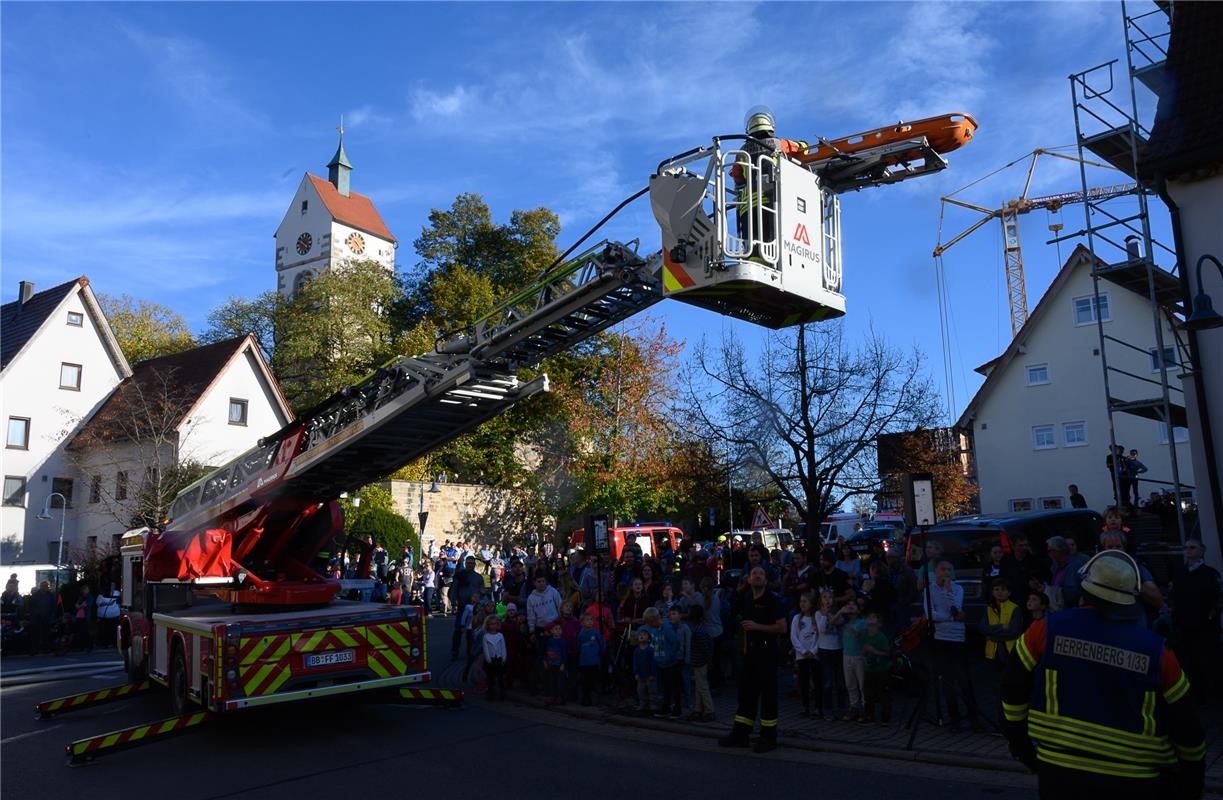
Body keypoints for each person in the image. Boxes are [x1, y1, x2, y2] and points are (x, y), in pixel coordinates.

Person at [1001, 550, 1206, 799]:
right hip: (1137, 778)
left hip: (1060, 770)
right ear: (1132, 597)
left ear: (1083, 588)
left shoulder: (1044, 630)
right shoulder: (1158, 652)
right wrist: (1192, 778)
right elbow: (1187, 723)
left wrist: (1018, 742)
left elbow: (1012, 685)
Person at [718, 565, 787, 753]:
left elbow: (782, 627)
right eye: (754, 574)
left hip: (767, 655)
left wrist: (758, 626)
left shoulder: (773, 601)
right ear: (748, 579)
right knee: (746, 695)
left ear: (766, 580)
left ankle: (768, 737)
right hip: (750, 655)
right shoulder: (747, 599)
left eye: (761, 574)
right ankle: (740, 734)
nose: (757, 576)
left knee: (768, 697)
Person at [923, 559, 980, 731]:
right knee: (947, 681)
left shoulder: (958, 589)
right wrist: (950, 617)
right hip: (941, 638)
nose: (946, 572)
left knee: (964, 680)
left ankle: (974, 719)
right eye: (942, 569)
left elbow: (955, 608)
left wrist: (948, 591)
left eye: (949, 569)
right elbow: (930, 615)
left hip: (958, 638)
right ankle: (954, 719)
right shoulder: (929, 590)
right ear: (936, 571)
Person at [1169, 539, 1220, 704]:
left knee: (1207, 660)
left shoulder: (1210, 573)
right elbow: (1174, 597)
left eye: (1192, 547)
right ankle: (1196, 695)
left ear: (1201, 551)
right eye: (1185, 548)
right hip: (1184, 625)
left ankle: (1211, 695)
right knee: (1189, 661)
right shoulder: (1180, 573)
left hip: (1205, 627)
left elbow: (1218, 598)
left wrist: (1211, 616)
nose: (1188, 550)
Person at [815, 590, 846, 720]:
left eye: (830, 597)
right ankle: (827, 709)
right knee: (827, 682)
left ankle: (841, 708)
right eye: (825, 597)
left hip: (838, 649)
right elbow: (823, 629)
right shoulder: (818, 614)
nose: (828, 600)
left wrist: (835, 614)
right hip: (825, 650)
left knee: (840, 682)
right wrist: (828, 614)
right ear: (821, 600)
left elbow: (838, 623)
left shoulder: (838, 614)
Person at [978, 579, 1021, 670]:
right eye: (996, 589)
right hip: (992, 653)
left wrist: (993, 637)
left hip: (1009, 651)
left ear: (1009, 593)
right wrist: (1001, 627)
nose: (999, 592)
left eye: (1003, 589)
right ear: (992, 592)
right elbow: (982, 628)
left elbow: (1014, 631)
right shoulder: (989, 608)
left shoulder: (1015, 608)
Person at [790, 592, 820, 718]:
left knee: (817, 681)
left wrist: (813, 651)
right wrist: (802, 651)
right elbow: (793, 636)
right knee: (804, 681)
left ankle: (818, 708)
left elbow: (819, 636)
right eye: (801, 601)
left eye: (805, 601)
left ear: (811, 604)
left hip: (815, 655)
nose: (802, 604)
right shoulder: (797, 618)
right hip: (802, 656)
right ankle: (805, 707)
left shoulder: (817, 617)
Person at [450, 556, 485, 658]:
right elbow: (454, 590)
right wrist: (453, 604)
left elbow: (483, 590)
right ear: (465, 564)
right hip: (462, 605)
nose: (470, 565)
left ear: (474, 565)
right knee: (458, 629)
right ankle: (454, 651)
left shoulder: (479, 577)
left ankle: (470, 652)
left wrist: (482, 595)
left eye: (472, 563)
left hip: (474, 608)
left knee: (471, 631)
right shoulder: (460, 575)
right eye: (468, 563)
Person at [861, 613, 893, 725]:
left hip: (882, 670)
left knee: (884, 694)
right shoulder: (864, 635)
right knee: (868, 694)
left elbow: (887, 653)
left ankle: (885, 718)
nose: (870, 618)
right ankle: (870, 716)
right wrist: (864, 651)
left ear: (879, 623)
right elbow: (862, 651)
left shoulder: (881, 637)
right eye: (868, 617)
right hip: (869, 670)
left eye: (873, 617)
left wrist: (873, 651)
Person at [687, 604, 715, 722]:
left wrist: (708, 660)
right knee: (699, 686)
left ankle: (709, 710)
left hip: (700, 662)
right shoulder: (700, 628)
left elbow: (704, 648)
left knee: (702, 687)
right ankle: (698, 709)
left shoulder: (697, 630)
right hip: (699, 661)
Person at [656, 606, 684, 719]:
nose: (671, 616)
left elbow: (676, 642)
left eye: (674, 614)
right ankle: (666, 707)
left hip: (672, 662)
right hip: (663, 662)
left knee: (675, 686)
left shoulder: (669, 628)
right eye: (670, 614)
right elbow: (658, 643)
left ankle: (677, 709)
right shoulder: (661, 628)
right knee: (666, 686)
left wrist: (669, 656)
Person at [577, 613, 605, 706]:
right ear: (582, 622)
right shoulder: (581, 633)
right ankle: (585, 699)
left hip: (594, 661)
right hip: (584, 662)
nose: (590, 622)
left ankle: (595, 700)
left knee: (594, 681)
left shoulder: (596, 632)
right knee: (585, 681)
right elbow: (578, 646)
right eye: (587, 620)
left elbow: (601, 643)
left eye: (591, 620)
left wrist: (602, 652)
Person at [633, 627, 658, 715]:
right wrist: (636, 672)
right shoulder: (636, 650)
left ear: (648, 639)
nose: (642, 636)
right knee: (641, 691)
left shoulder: (650, 650)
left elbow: (653, 662)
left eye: (644, 634)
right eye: (640, 634)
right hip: (640, 675)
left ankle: (653, 705)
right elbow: (635, 662)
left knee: (652, 690)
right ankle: (642, 704)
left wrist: (652, 673)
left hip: (649, 674)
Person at [482, 614, 507, 700]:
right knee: (491, 679)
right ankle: (490, 695)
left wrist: (504, 657)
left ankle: (502, 695)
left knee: (500, 679)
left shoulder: (500, 635)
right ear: (488, 625)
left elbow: (503, 647)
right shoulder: (486, 636)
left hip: (499, 659)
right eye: (491, 624)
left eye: (495, 623)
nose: (493, 626)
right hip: (491, 660)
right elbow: (486, 650)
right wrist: (488, 660)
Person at [543, 622, 567, 705]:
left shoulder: (562, 641)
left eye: (559, 629)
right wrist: (545, 660)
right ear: (551, 631)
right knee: (553, 681)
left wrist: (563, 664)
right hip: (551, 664)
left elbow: (564, 653)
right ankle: (554, 696)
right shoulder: (550, 640)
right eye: (556, 629)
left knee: (559, 681)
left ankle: (560, 697)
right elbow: (547, 651)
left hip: (559, 664)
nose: (558, 631)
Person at [96, 581, 121, 649]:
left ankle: (113, 643)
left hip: (114, 614)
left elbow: (120, 602)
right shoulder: (102, 594)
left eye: (113, 585)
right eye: (111, 585)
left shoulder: (117, 593)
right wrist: (107, 604)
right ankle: (105, 643)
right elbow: (98, 603)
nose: (112, 587)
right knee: (105, 630)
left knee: (113, 630)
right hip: (104, 616)